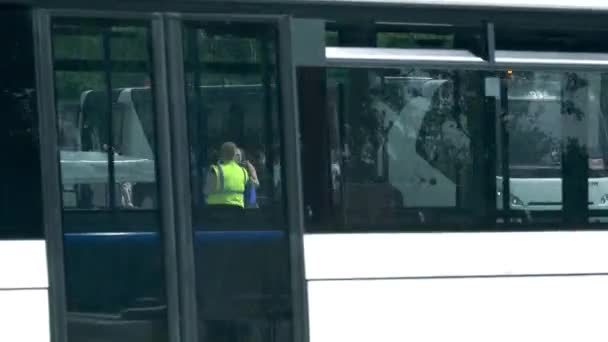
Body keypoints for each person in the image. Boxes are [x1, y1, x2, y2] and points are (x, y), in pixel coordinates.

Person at [204, 142, 259, 208]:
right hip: (237, 210)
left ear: (221, 154)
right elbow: (253, 186)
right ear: (234, 154)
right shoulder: (243, 171)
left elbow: (207, 191)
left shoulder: (215, 170)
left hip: (216, 211)